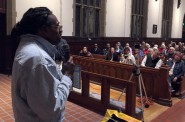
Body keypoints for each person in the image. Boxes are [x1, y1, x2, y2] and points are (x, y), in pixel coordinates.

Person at [11, 7, 75, 122]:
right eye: (57, 26)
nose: (60, 30)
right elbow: (51, 111)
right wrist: (67, 76)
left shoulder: (27, 48)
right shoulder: (37, 59)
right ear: (44, 30)